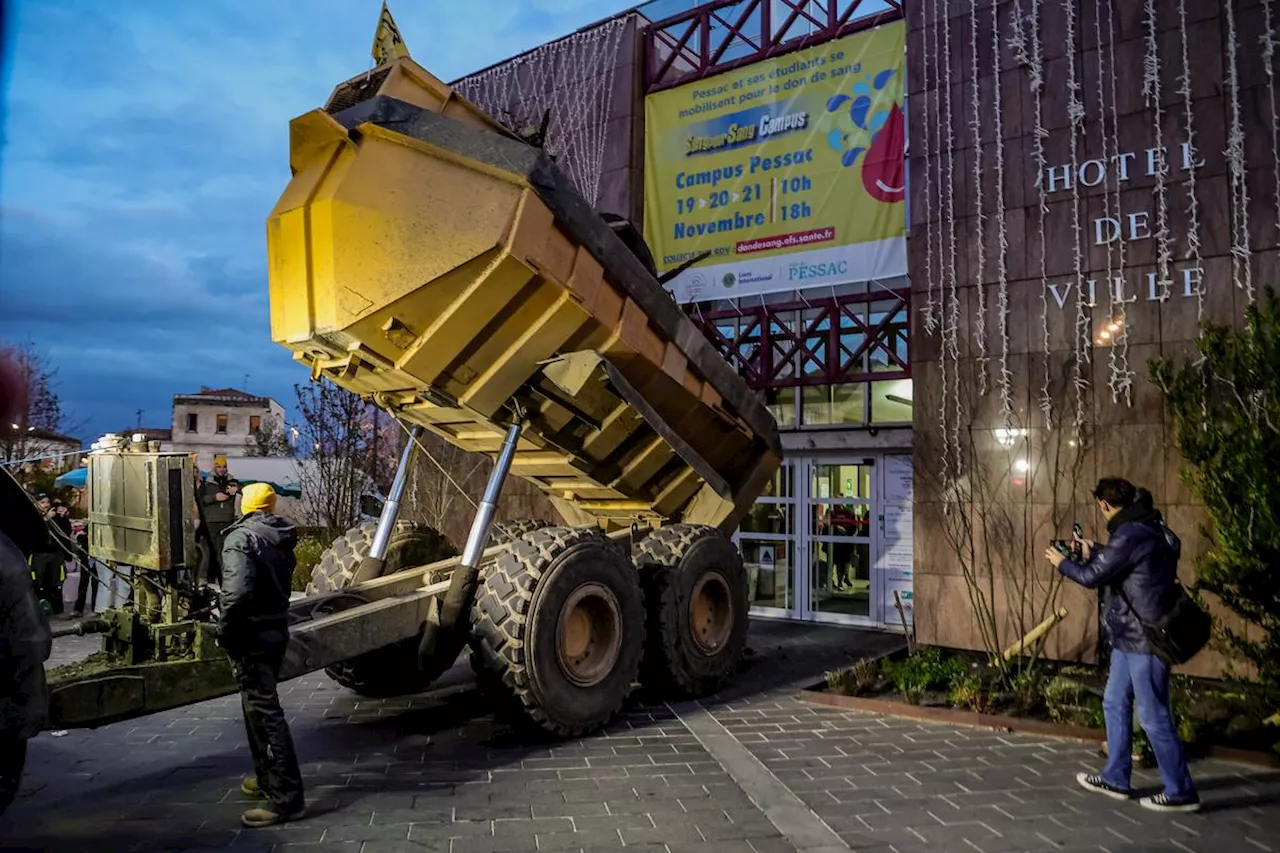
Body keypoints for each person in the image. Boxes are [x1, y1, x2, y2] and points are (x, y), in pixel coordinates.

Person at [1044, 477, 1200, 813]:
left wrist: (1064, 563)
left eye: (1100, 507)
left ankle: (1180, 791)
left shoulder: (1129, 534)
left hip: (1145, 639)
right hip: (1129, 636)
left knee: (1153, 715)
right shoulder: (1149, 525)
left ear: (1104, 503)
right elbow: (1134, 564)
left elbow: (1092, 577)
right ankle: (1116, 777)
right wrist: (1097, 551)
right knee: (1115, 701)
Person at [216, 482, 305, 828]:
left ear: (245, 505)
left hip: (251, 635)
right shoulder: (280, 536)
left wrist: (225, 629)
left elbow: (236, 594)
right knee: (257, 708)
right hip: (274, 631)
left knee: (267, 715)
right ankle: (267, 778)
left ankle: (287, 800)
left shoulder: (241, 539)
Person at [200, 456, 239, 567]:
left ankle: (224, 574)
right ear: (214, 467)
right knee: (210, 550)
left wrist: (236, 489)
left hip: (227, 520)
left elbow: (244, 490)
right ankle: (210, 576)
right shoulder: (207, 482)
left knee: (226, 549)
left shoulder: (232, 481)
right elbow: (201, 499)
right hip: (211, 520)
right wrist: (215, 498)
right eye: (219, 467)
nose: (221, 469)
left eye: (224, 467)